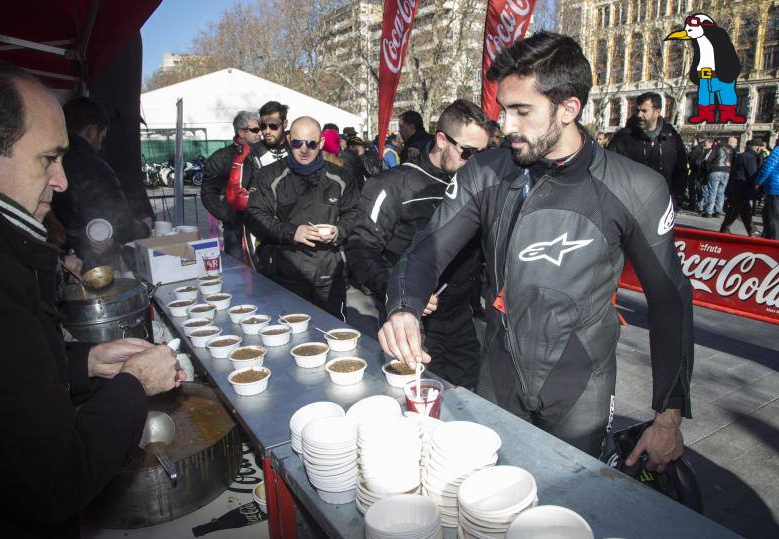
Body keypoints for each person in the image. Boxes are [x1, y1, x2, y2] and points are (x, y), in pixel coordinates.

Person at [378, 32, 693, 468]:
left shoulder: (636, 187)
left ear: (568, 109)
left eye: (521, 111)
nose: (505, 127)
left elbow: (669, 300)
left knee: (570, 513)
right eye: (502, 111)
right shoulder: (486, 172)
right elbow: (426, 249)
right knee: (489, 505)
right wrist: (404, 307)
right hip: (499, 374)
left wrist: (667, 418)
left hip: (582, 385)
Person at [0, 55, 184, 538]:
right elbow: (56, 478)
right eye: (48, 158)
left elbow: (0, 384)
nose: (62, 181)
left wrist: (85, 362)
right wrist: (134, 382)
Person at [347, 99, 491, 389]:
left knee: (466, 403)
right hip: (412, 322)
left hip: (461, 319)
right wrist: (402, 290)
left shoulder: (478, 184)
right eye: (468, 153)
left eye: (483, 155)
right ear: (441, 139)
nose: (475, 163)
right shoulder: (393, 184)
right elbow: (360, 249)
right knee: (416, 405)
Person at [245, 117, 359, 319]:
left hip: (329, 275)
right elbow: (254, 217)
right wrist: (292, 232)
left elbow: (355, 213)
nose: (304, 150)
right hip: (283, 274)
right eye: (297, 143)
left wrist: (338, 231)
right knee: (286, 338)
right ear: (289, 139)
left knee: (332, 335)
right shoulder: (268, 176)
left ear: (321, 143)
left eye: (311, 144)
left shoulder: (341, 177)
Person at [51, 97, 149, 270]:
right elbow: (121, 223)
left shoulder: (48, 159)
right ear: (91, 130)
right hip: (88, 263)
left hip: (56, 257)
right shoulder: (93, 166)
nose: (99, 146)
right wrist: (144, 227)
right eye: (102, 138)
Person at [608, 92, 688, 210]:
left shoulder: (672, 138)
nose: (639, 115)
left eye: (644, 111)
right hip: (629, 207)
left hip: (662, 206)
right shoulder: (623, 138)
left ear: (657, 111)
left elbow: (681, 171)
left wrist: (676, 201)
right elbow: (610, 170)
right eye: (637, 110)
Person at [201, 110, 260, 261]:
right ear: (241, 132)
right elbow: (208, 191)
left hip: (261, 226)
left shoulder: (264, 154)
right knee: (239, 272)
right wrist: (226, 215)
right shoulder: (222, 157)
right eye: (254, 129)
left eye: (260, 128)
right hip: (235, 229)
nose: (259, 133)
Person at [720, 139, 761, 236]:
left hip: (737, 186)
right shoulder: (750, 157)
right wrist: (756, 186)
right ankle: (725, 227)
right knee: (736, 209)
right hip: (743, 187)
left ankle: (752, 230)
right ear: (757, 148)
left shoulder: (742, 155)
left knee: (744, 210)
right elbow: (752, 174)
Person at [702, 136, 737, 218]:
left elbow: (709, 159)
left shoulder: (717, 147)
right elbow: (734, 162)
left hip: (716, 170)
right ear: (730, 142)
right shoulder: (732, 150)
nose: (736, 145)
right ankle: (718, 211)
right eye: (735, 143)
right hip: (726, 171)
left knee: (712, 192)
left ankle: (709, 211)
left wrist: (709, 168)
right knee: (721, 192)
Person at [756, 136, 779, 240]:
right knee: (767, 213)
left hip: (775, 187)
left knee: (773, 216)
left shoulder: (777, 151)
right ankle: (768, 236)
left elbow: (768, 168)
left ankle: (774, 241)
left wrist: (758, 182)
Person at [686, 135, 712, 212]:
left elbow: (691, 157)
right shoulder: (703, 148)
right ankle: (700, 205)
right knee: (699, 189)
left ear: (698, 139)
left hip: (695, 170)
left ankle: (693, 205)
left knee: (695, 188)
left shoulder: (698, 148)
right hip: (698, 171)